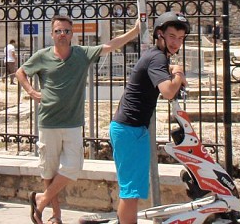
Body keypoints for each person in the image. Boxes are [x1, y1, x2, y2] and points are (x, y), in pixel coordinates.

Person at [18, 14, 140, 224]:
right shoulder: (42, 56)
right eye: (58, 31)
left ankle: (40, 199)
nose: (62, 35)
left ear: (72, 34)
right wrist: (30, 90)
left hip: (73, 122)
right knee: (49, 170)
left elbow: (110, 45)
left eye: (66, 31)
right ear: (52, 34)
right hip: (48, 122)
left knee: (73, 166)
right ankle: (55, 216)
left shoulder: (82, 54)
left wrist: (134, 32)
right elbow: (21, 72)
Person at [110, 12, 190, 224]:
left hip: (132, 129)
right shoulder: (157, 57)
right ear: (159, 34)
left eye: (181, 38)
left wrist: (173, 69)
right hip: (130, 130)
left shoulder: (157, 57)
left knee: (131, 189)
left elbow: (159, 70)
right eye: (172, 36)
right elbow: (167, 91)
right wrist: (179, 75)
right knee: (131, 192)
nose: (176, 42)